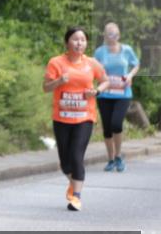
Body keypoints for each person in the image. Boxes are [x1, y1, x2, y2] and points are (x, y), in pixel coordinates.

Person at [43, 27, 110, 211]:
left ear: (86, 43)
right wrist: (58, 82)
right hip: (61, 117)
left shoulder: (92, 63)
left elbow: (105, 80)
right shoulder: (56, 62)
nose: (79, 43)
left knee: (76, 156)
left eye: (82, 40)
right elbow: (46, 88)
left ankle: (76, 197)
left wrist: (96, 91)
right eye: (75, 39)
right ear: (67, 43)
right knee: (65, 163)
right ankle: (73, 184)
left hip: (85, 117)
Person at [93, 22, 140, 172]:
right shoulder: (100, 52)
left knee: (116, 124)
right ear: (105, 36)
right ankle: (110, 159)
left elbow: (136, 64)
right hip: (105, 94)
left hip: (123, 94)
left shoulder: (127, 50)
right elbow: (93, 68)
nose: (112, 37)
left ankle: (119, 156)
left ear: (119, 35)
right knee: (107, 128)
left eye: (115, 34)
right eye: (109, 34)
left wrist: (130, 75)